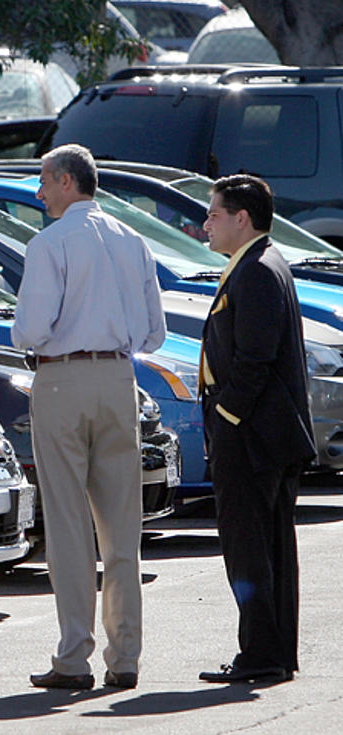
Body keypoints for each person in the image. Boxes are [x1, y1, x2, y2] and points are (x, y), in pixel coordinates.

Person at [11, 144, 166, 690]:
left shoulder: (49, 242)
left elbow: (29, 329)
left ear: (65, 182)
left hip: (62, 379)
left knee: (69, 524)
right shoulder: (133, 240)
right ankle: (125, 658)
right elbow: (155, 332)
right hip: (119, 378)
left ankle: (74, 655)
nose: (40, 192)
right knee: (122, 528)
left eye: (44, 183)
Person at [198, 174, 314, 684]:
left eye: (214, 214)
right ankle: (271, 652)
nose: (206, 225)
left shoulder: (259, 271)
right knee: (264, 547)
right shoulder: (254, 264)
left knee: (250, 547)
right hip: (258, 434)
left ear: (241, 219)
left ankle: (261, 654)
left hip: (252, 436)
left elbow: (256, 359)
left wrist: (226, 416)